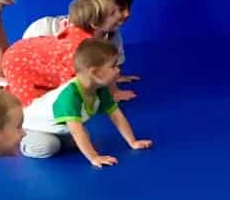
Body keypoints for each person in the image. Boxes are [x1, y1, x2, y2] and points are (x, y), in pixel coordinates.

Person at [20, 38, 152, 165]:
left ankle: (59, 138)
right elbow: (77, 131)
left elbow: (117, 116)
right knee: (50, 146)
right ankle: (23, 142)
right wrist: (94, 157)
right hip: (29, 127)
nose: (118, 70)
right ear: (95, 73)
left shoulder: (99, 89)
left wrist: (133, 141)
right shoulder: (70, 96)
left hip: (59, 128)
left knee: (82, 138)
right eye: (113, 66)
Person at [21, 0, 139, 101]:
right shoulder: (74, 40)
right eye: (120, 9)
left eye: (128, 8)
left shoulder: (109, 31)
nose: (127, 14)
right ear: (98, 18)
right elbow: (68, 82)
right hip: (30, 61)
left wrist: (113, 79)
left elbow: (112, 61)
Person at [2, 0, 121, 107]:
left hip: (25, 53)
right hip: (18, 60)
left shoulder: (90, 39)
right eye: (112, 13)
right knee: (31, 108)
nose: (119, 15)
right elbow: (67, 86)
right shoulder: (79, 50)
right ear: (95, 24)